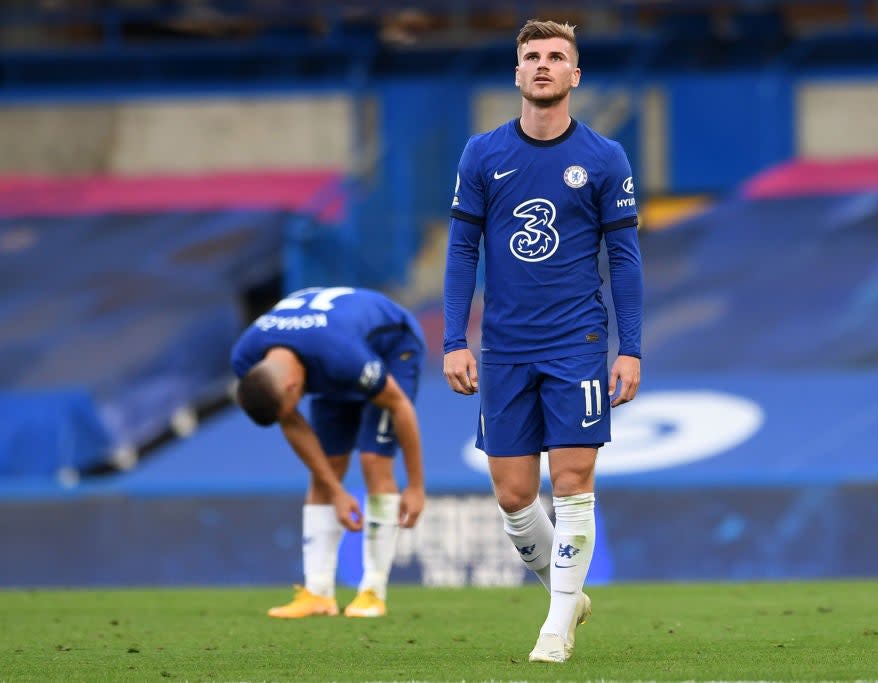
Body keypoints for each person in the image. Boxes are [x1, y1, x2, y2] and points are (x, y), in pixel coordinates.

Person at [442, 19, 643, 664]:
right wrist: (454, 339)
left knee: (575, 477)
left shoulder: (605, 158)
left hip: (577, 342)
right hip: (503, 348)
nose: (544, 65)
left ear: (575, 74)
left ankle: (555, 626)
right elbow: (461, 252)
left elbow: (627, 260)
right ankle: (568, 592)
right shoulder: (482, 154)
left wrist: (629, 346)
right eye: (533, 56)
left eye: (558, 56)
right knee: (513, 495)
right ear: (518, 72)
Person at [231, 286, 426, 619]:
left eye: (291, 406)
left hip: (392, 349)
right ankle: (318, 592)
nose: (291, 414)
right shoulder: (246, 359)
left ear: (294, 387)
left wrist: (416, 486)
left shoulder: (341, 356)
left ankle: (372, 592)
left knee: (373, 461)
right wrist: (336, 492)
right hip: (327, 361)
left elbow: (400, 407)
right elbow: (290, 420)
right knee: (326, 471)